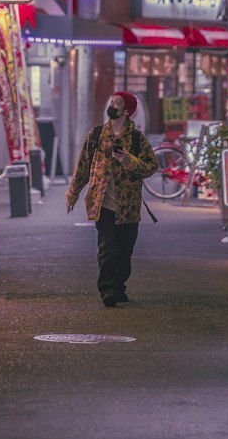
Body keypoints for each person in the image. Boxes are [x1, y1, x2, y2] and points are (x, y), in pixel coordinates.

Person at [66, 91, 159, 307]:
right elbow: (83, 166)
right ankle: (108, 289)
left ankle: (119, 285)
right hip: (103, 204)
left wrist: (128, 160)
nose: (112, 104)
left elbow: (151, 167)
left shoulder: (137, 139)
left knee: (125, 252)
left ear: (127, 111)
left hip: (128, 207)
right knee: (107, 248)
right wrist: (73, 193)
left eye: (117, 103)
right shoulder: (97, 134)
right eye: (111, 101)